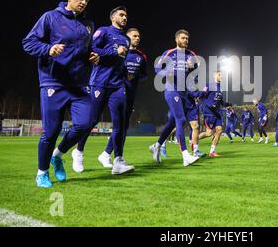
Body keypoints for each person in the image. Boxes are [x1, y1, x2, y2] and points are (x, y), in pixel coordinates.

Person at [22, 0, 99, 188]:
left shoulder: (89, 25)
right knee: (51, 131)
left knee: (86, 123)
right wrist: (48, 49)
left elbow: (86, 49)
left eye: (86, 0)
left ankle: (58, 154)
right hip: (53, 82)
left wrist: (93, 57)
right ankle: (42, 173)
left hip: (79, 84)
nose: (83, 2)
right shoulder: (50, 17)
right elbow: (28, 42)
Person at [72, 6, 134, 175]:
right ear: (113, 17)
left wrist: (125, 71)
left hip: (118, 85)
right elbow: (91, 50)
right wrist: (114, 50)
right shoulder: (104, 31)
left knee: (120, 123)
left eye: (126, 15)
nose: (124, 18)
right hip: (99, 82)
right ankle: (78, 152)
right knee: (92, 120)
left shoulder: (126, 40)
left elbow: (119, 61)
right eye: (121, 15)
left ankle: (118, 161)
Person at [148, 29, 200, 167]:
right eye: (183, 38)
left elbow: (196, 75)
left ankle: (157, 145)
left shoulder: (192, 55)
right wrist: (166, 72)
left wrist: (191, 68)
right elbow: (157, 68)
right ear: (176, 39)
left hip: (184, 93)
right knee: (181, 120)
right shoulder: (169, 53)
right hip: (171, 90)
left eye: (187, 38)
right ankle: (185, 155)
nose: (186, 41)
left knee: (172, 122)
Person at [98, 28, 148, 167]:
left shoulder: (141, 56)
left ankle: (107, 154)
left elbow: (144, 75)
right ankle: (113, 156)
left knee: (123, 127)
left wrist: (135, 76)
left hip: (131, 94)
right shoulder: (121, 53)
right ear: (127, 38)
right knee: (119, 126)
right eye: (134, 36)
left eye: (139, 36)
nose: (137, 38)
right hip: (118, 91)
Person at [197, 71, 232, 157]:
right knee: (209, 133)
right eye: (219, 75)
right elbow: (201, 97)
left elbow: (219, 101)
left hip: (217, 113)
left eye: (221, 75)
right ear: (215, 75)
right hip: (209, 113)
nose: (221, 76)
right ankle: (193, 140)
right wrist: (209, 105)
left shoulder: (220, 88)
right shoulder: (210, 85)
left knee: (219, 130)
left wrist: (226, 104)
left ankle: (212, 151)